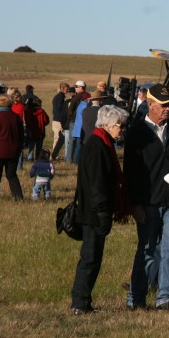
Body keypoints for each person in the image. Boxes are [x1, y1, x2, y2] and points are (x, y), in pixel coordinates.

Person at [124, 84, 169, 311]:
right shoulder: (136, 133)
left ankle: (165, 299)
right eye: (164, 105)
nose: (168, 109)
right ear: (150, 105)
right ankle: (136, 299)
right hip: (148, 203)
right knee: (147, 250)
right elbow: (131, 172)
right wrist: (136, 204)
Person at [70, 105, 132, 315]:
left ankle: (82, 302)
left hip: (94, 211)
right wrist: (103, 212)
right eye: (119, 126)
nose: (122, 129)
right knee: (90, 258)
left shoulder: (101, 142)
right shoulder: (97, 146)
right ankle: (80, 303)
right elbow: (96, 184)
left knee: (92, 258)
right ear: (106, 125)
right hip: (94, 213)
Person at [0, 94, 25, 200]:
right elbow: (21, 135)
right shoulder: (16, 117)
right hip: (13, 151)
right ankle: (18, 197)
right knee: (11, 174)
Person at [51, 82, 69, 161]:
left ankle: (54, 155)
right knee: (57, 138)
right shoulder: (61, 97)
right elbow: (59, 108)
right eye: (67, 89)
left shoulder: (58, 96)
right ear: (63, 88)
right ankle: (54, 155)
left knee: (57, 138)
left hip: (55, 119)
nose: (67, 91)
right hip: (58, 120)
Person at [72, 91, 91, 164]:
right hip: (81, 128)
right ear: (86, 99)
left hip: (77, 129)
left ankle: (75, 160)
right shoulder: (85, 106)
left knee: (78, 146)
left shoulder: (80, 105)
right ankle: (76, 161)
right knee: (79, 146)